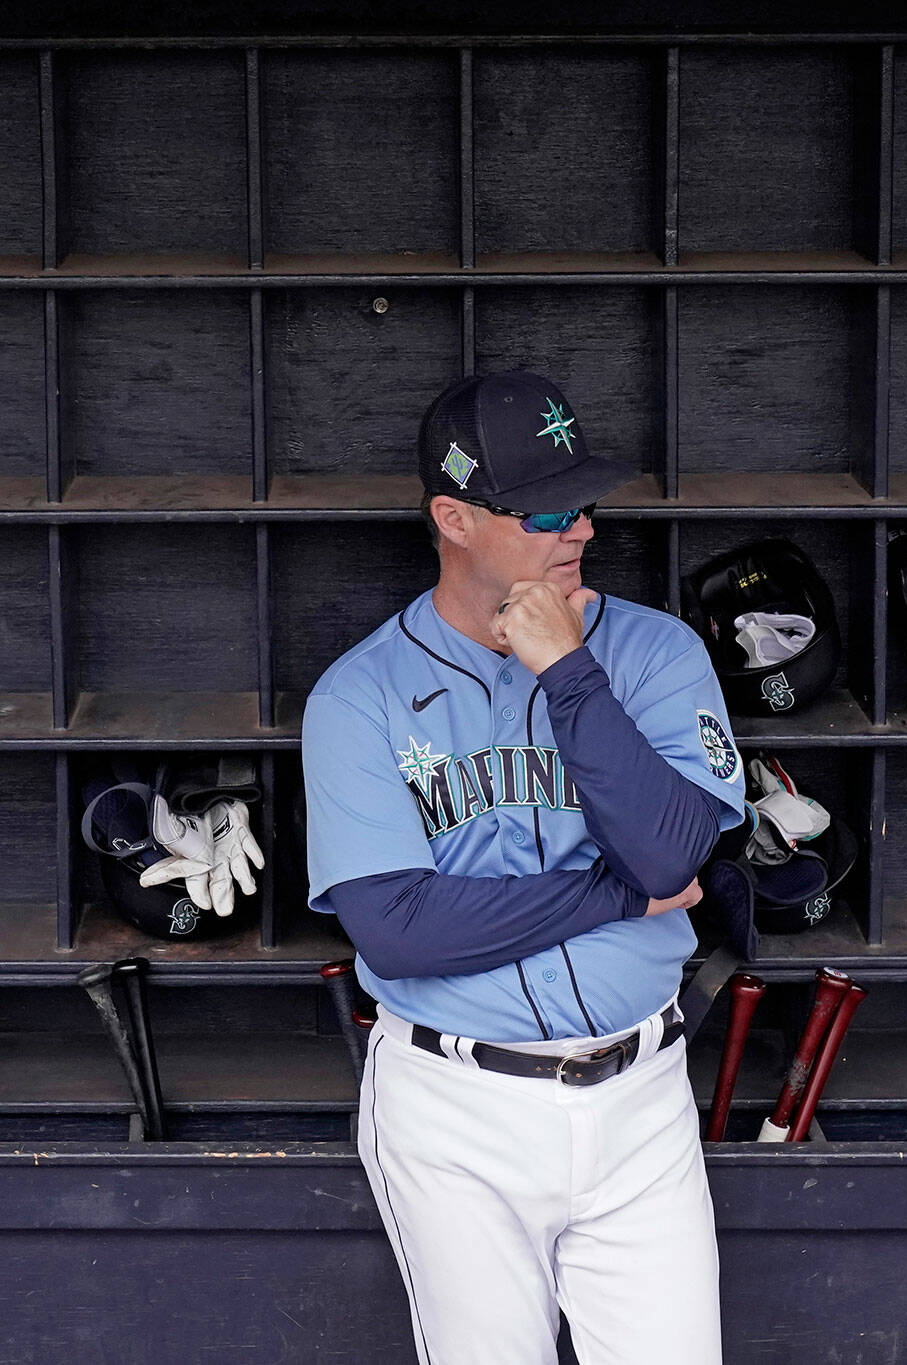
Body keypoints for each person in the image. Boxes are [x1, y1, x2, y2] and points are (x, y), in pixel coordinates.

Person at [300, 369, 750, 1364]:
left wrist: (566, 671)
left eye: (584, 504)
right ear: (452, 517)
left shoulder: (652, 653)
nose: (580, 530)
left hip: (640, 1093)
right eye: (547, 510)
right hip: (456, 1110)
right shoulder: (357, 695)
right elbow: (398, 932)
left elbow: (676, 850)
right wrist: (614, 893)